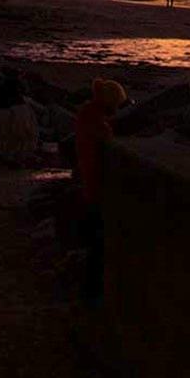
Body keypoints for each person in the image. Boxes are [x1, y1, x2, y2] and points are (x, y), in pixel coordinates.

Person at [72, 78, 128, 302]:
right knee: (98, 246)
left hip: (89, 184)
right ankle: (92, 294)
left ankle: (90, 291)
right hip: (95, 188)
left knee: (95, 245)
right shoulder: (98, 124)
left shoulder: (86, 116)